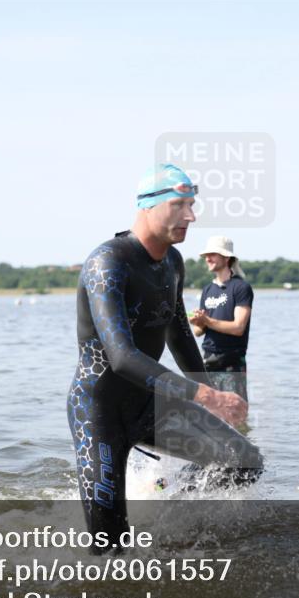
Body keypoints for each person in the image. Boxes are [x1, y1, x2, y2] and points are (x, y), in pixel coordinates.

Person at [67, 164, 263, 553]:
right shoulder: (108, 263)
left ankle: (166, 507)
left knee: (243, 461)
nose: (190, 216)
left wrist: (210, 391)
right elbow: (122, 357)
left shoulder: (172, 262)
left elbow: (178, 334)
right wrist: (207, 397)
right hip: (100, 412)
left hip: (151, 404)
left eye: (191, 205)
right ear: (147, 206)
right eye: (178, 205)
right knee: (110, 548)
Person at [189, 237, 253, 402]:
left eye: (213, 254)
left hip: (232, 362)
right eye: (206, 255)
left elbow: (238, 328)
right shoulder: (207, 290)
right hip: (208, 360)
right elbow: (198, 332)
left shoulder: (241, 288)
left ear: (226, 258)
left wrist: (207, 321)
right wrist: (198, 322)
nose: (207, 259)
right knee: (208, 412)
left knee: (235, 413)